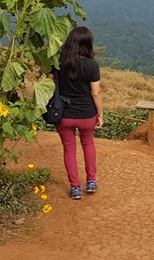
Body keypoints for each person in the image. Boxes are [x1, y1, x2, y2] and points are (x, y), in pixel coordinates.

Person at [54, 26, 104, 200]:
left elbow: (50, 84)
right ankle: (91, 181)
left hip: (64, 115)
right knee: (88, 144)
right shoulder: (92, 65)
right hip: (86, 114)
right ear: (88, 44)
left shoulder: (59, 63)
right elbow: (95, 92)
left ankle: (75, 188)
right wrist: (100, 115)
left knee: (69, 149)